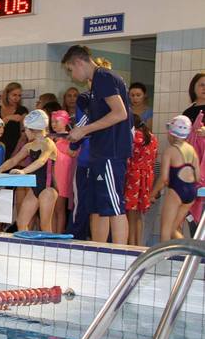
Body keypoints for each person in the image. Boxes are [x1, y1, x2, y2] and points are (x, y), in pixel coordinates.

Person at [65, 45, 133, 244]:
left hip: (111, 152)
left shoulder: (103, 77)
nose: (72, 75)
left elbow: (120, 113)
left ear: (79, 62)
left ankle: (120, 254)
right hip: (101, 151)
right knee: (100, 206)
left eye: (71, 70)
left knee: (114, 205)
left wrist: (84, 130)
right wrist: (78, 132)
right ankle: (99, 249)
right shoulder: (97, 83)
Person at [0, 110, 58, 233]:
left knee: (45, 226)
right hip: (35, 188)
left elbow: (41, 161)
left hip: (48, 189)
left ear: (32, 129)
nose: (24, 133)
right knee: (21, 222)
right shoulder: (29, 146)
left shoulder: (49, 144)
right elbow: (13, 160)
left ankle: (49, 246)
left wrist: (23, 171)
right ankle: (25, 245)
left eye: (25, 130)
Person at [153, 116, 199, 242]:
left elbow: (163, 178)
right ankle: (189, 251)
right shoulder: (192, 151)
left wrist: (152, 194)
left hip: (177, 191)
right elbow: (198, 176)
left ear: (171, 133)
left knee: (165, 231)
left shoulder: (170, 151)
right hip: (191, 192)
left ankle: (164, 255)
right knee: (173, 229)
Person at [125, 114, 158, 246]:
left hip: (133, 176)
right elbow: (153, 159)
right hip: (147, 177)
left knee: (130, 213)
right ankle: (138, 244)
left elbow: (127, 157)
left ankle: (130, 244)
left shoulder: (132, 137)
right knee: (139, 213)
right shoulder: (152, 137)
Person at [50, 110, 76, 234]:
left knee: (59, 208)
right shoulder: (52, 138)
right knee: (52, 208)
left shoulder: (69, 138)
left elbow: (73, 153)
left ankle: (58, 234)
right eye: (52, 122)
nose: (54, 124)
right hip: (52, 175)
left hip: (62, 176)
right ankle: (52, 233)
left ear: (65, 122)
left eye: (57, 121)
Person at [0, 82, 28, 159]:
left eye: (19, 95)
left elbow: (24, 136)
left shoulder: (22, 111)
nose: (16, 98)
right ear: (7, 95)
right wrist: (7, 118)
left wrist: (15, 154)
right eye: (14, 95)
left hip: (15, 149)